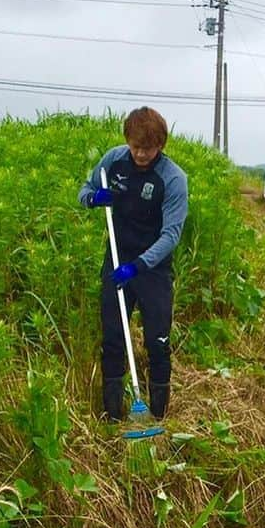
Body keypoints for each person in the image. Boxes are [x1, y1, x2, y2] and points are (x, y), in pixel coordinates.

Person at [79, 107, 188, 421]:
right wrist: (93, 198)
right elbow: (84, 190)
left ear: (160, 146)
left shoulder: (172, 179)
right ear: (127, 140)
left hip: (153, 269)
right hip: (117, 260)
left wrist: (138, 266)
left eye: (148, 148)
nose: (140, 154)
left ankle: (158, 416)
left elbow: (171, 235)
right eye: (135, 146)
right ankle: (113, 415)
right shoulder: (113, 161)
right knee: (113, 339)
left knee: (157, 341)